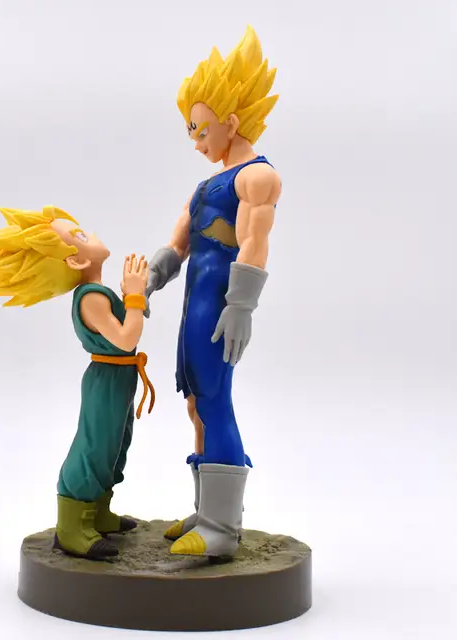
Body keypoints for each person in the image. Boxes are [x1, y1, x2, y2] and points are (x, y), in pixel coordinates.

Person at [145, 25, 282, 558]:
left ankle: (222, 529)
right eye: (191, 133)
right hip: (194, 305)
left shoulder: (256, 178)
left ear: (231, 122)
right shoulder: (206, 185)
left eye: (201, 130)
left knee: (216, 401)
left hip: (219, 306)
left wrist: (241, 305)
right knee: (196, 405)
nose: (197, 142)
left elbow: (254, 243)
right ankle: (207, 512)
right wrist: (150, 278)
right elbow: (179, 242)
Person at [0, 205, 153, 559]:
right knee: (95, 444)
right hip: (108, 375)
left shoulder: (97, 292)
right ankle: (72, 524)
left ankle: (97, 510)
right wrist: (134, 295)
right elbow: (126, 339)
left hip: (120, 374)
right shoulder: (92, 298)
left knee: (117, 443)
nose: (91, 233)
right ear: (75, 260)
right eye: (80, 236)